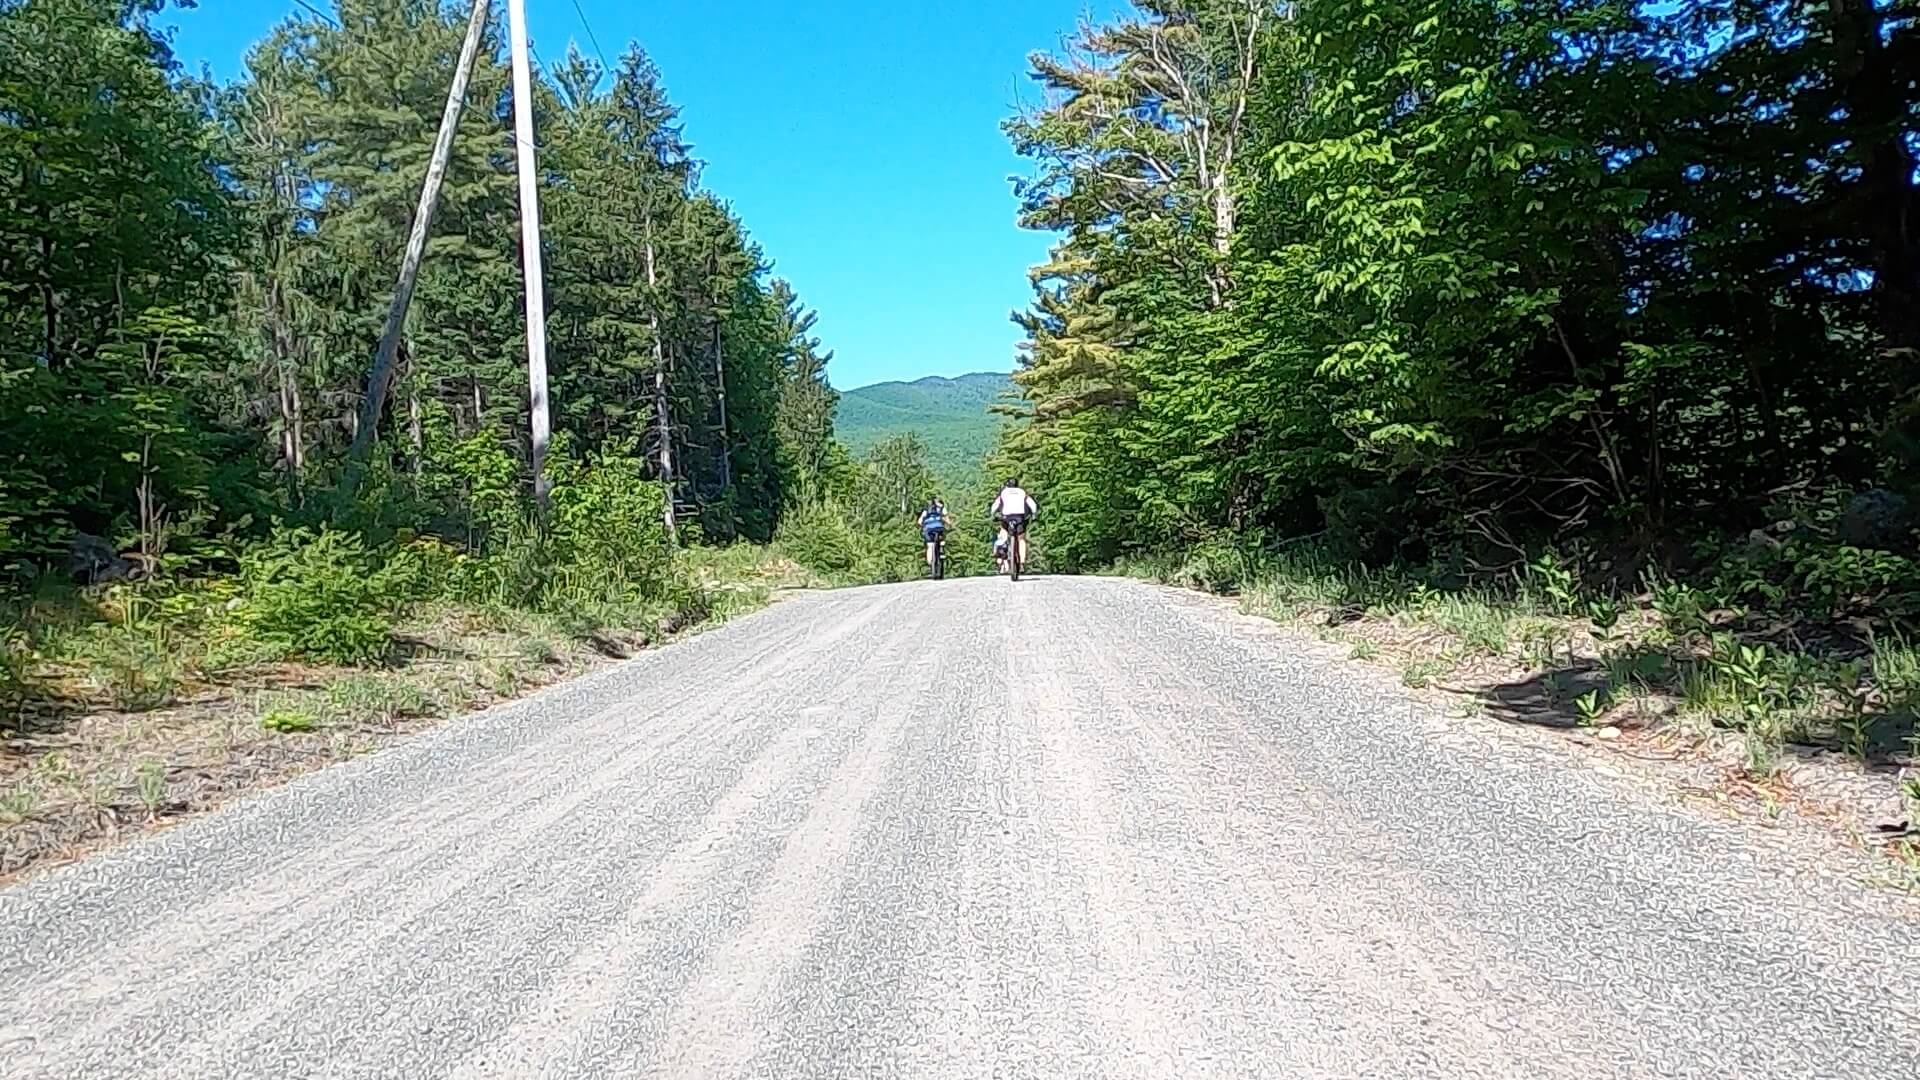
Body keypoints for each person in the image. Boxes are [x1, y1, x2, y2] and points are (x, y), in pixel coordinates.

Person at [988, 478, 1037, 570]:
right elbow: (1032, 504)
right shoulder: (1022, 492)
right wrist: (1034, 515)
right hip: (1019, 517)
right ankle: (1022, 563)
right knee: (1021, 539)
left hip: (1006, 517)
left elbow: (995, 505)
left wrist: (992, 514)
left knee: (1003, 531)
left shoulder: (1004, 492)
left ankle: (1003, 547)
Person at [918, 497, 949, 575]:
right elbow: (947, 519)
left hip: (928, 529)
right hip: (939, 528)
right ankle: (941, 549)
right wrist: (950, 525)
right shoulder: (942, 508)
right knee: (941, 538)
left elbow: (920, 521)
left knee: (930, 546)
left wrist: (922, 526)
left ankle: (930, 563)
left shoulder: (927, 509)